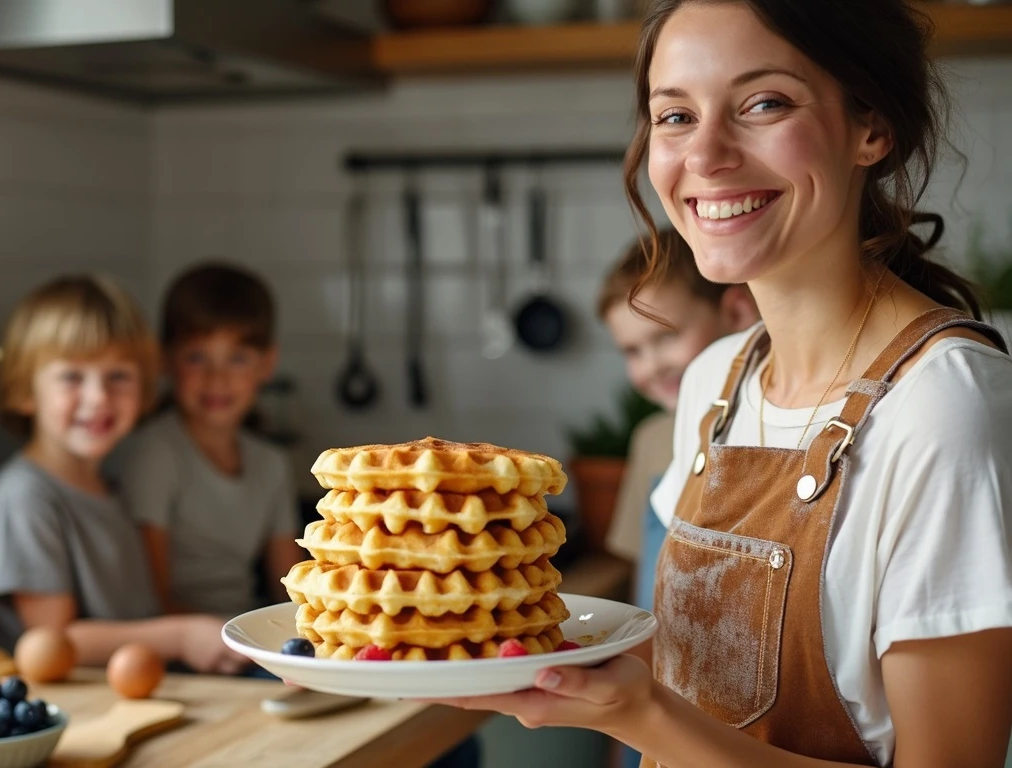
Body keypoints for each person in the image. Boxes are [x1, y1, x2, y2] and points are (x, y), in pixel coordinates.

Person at [431, 2, 1012, 766]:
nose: (704, 155)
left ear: (871, 127)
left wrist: (642, 718)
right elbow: (694, 675)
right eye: (674, 115)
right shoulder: (718, 378)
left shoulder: (943, 405)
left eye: (763, 103)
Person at [0, 274, 248, 675]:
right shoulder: (25, 498)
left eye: (118, 376)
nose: (99, 397)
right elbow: (54, 641)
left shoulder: (110, 488)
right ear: (25, 391)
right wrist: (183, 636)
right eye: (72, 377)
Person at [118, 263, 300, 618]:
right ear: (165, 360)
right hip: (178, 642)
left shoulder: (271, 464)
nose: (217, 378)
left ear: (267, 364)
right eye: (197, 358)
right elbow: (151, 600)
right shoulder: (157, 454)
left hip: (245, 633)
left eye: (237, 358)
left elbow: (289, 590)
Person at [598, 227, 757, 617]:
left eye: (666, 337)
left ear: (736, 312)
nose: (651, 366)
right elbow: (640, 574)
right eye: (632, 351)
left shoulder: (766, 430)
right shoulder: (650, 439)